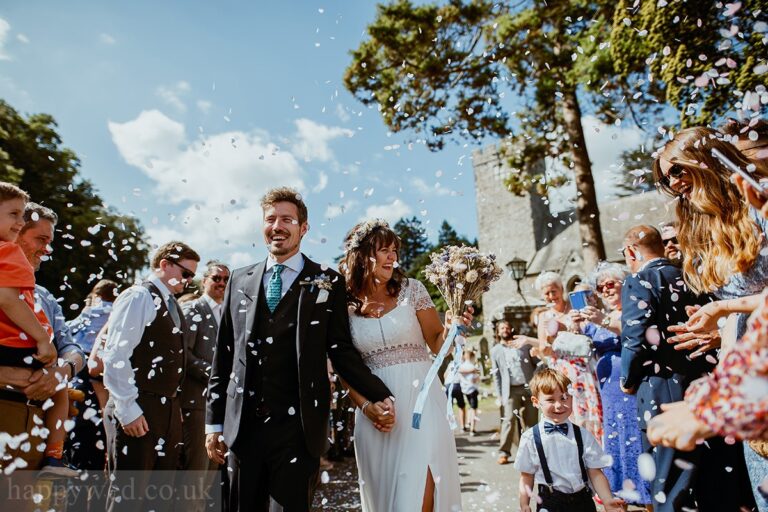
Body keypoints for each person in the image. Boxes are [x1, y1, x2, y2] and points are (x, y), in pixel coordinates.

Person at [205, 188, 393, 512]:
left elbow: (340, 349)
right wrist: (214, 424)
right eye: (271, 218)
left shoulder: (327, 280)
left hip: (299, 429)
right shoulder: (239, 279)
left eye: (287, 219)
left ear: (303, 228)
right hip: (243, 427)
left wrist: (378, 392)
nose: (277, 226)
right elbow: (223, 355)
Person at [652, 126, 768, 508]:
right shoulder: (708, 228)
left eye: (677, 170)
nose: (673, 182)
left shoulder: (760, 204)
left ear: (707, 161)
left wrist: (724, 309)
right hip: (745, 376)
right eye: (666, 177)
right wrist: (720, 330)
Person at [339, 218, 472, 512]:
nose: (393, 257)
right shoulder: (344, 305)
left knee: (421, 492)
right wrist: (365, 405)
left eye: (394, 251)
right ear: (362, 256)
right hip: (376, 413)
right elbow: (344, 367)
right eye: (384, 250)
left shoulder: (413, 290)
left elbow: (437, 342)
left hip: (421, 405)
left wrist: (452, 328)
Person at [620, 224, 755, 511]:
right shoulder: (693, 277)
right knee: (718, 477)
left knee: (671, 483)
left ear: (631, 251)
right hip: (707, 385)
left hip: (663, 389)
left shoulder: (639, 280)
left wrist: (627, 378)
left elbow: (636, 337)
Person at [102, 241, 200, 512]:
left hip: (165, 410)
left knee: (157, 499)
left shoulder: (172, 304)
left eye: (192, 276)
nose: (189, 281)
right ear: (165, 265)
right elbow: (115, 355)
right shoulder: (139, 296)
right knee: (128, 498)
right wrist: (128, 408)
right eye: (186, 273)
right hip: (139, 406)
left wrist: (172, 408)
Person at [0, 184, 76, 478]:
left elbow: (72, 348)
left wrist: (63, 372)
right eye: (41, 239)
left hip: (34, 430)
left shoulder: (44, 296)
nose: (47, 249)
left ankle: (55, 459)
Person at [571, 262, 651, 508]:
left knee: (637, 442)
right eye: (600, 286)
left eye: (610, 284)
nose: (605, 290)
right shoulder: (596, 319)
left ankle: (649, 501)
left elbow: (635, 333)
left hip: (632, 389)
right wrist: (575, 329)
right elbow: (579, 352)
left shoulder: (632, 309)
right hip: (607, 393)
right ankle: (619, 499)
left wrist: (603, 321)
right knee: (615, 444)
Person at [515, 368, 624, 512]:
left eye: (564, 398)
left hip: (582, 501)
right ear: (536, 402)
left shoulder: (583, 435)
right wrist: (524, 504)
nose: (559, 405)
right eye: (550, 400)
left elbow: (595, 472)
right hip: (550, 502)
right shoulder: (530, 438)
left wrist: (607, 500)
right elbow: (527, 475)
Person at [179, 260, 229, 511]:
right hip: (197, 402)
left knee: (213, 471)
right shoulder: (192, 310)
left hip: (222, 405)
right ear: (204, 281)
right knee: (195, 472)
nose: (221, 283)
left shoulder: (229, 312)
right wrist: (214, 374)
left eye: (225, 280)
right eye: (216, 278)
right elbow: (184, 354)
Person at [536, 272, 603, 441]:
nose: (551, 296)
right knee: (567, 408)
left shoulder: (575, 308)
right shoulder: (543, 317)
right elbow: (544, 348)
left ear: (561, 289)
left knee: (588, 411)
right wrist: (544, 346)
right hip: (561, 371)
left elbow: (590, 334)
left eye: (554, 291)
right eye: (547, 293)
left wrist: (564, 327)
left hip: (584, 369)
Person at [490, 320, 539, 465]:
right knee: (509, 419)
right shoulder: (495, 351)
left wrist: (536, 381)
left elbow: (537, 363)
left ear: (511, 329)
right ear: (498, 332)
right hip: (510, 390)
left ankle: (534, 451)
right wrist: (499, 395)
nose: (504, 329)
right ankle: (504, 452)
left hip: (528, 387)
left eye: (506, 327)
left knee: (531, 420)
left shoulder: (523, 344)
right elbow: (496, 375)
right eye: (501, 328)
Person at [68, 279, 118, 354]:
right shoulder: (114, 311)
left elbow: (73, 326)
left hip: (80, 348)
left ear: (97, 295)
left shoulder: (91, 310)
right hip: (97, 352)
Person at [458, 350, 480, 436]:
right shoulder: (472, 366)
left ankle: (469, 422)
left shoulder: (462, 366)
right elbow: (476, 379)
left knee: (470, 407)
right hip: (472, 389)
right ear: (471, 357)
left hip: (465, 389)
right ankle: (472, 429)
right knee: (473, 408)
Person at [444, 360, 466, 433]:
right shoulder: (462, 363)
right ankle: (462, 426)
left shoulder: (451, 363)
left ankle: (449, 427)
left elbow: (445, 375)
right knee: (461, 407)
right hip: (456, 385)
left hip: (448, 385)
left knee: (449, 408)